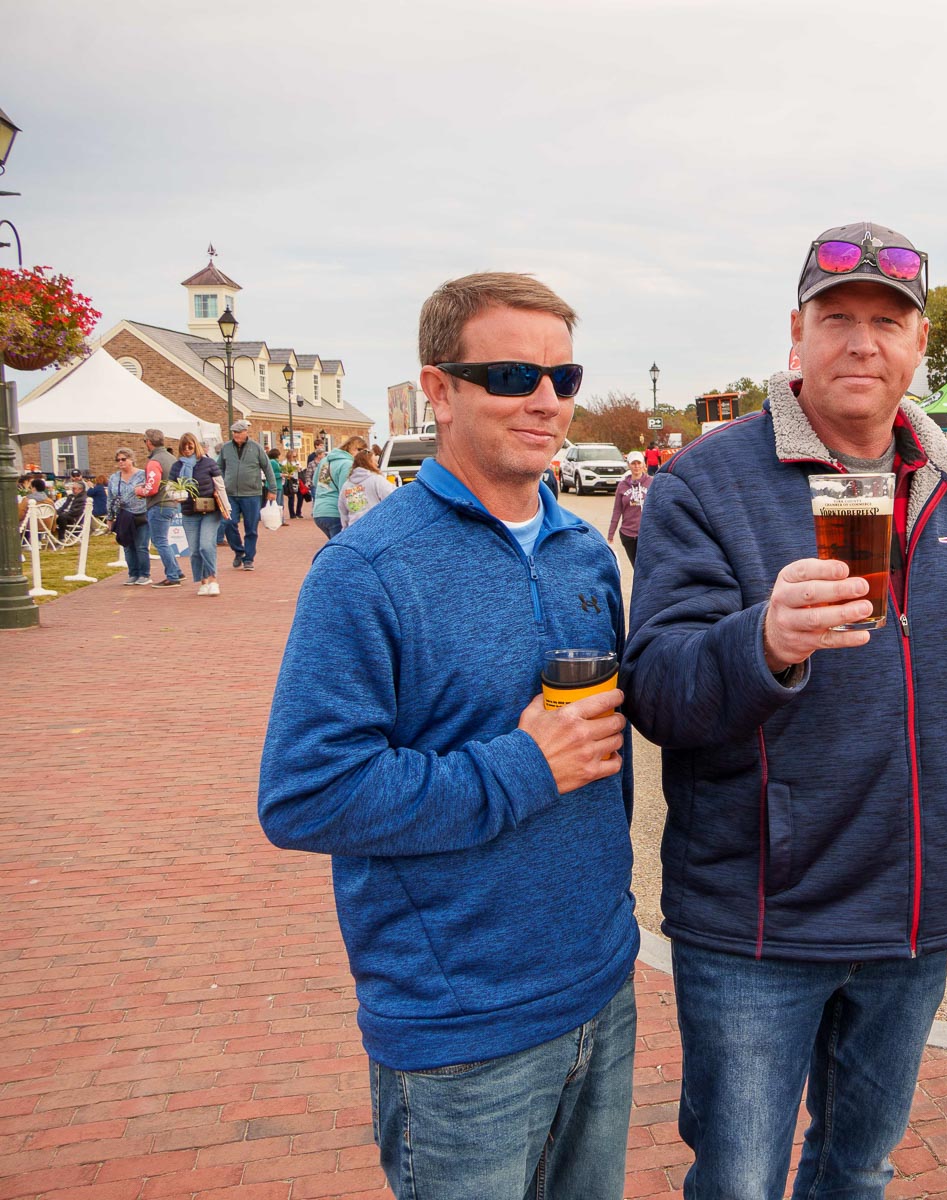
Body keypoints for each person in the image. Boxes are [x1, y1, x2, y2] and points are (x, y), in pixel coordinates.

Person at [623, 221, 947, 1200]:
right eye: (837, 318)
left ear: (920, 343)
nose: (862, 343)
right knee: (740, 1182)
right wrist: (763, 642)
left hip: (912, 917)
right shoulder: (707, 481)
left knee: (858, 1171)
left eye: (888, 321)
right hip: (760, 922)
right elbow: (656, 686)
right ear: (797, 333)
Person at [259, 272, 636, 1200]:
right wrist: (523, 766)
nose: (546, 401)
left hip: (601, 984)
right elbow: (305, 793)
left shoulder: (585, 553)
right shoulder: (366, 568)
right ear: (438, 390)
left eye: (563, 377)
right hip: (460, 1028)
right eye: (511, 376)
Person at [217, 421, 278, 569]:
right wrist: (221, 483)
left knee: (251, 527)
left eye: (239, 432)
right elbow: (219, 468)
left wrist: (272, 489)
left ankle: (249, 558)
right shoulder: (226, 448)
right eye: (234, 432)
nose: (236, 435)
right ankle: (239, 551)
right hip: (230, 494)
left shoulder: (256, 448)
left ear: (246, 432)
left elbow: (267, 468)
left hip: (252, 494)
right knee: (228, 523)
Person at [173, 432, 225, 596]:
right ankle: (203, 581)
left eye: (190, 447)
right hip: (189, 512)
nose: (188, 450)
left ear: (196, 446)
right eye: (184, 448)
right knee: (195, 550)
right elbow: (170, 487)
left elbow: (220, 485)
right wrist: (175, 495)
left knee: (206, 545)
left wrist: (226, 507)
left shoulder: (208, 463)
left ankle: (213, 580)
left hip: (210, 510)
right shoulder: (177, 467)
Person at [137, 428, 185, 588]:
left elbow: (152, 488)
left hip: (159, 504)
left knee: (159, 541)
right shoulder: (172, 458)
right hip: (172, 503)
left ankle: (172, 576)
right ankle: (177, 571)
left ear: (148, 442)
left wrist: (139, 491)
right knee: (164, 540)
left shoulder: (154, 462)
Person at [106, 450, 152, 586]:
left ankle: (144, 574)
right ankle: (133, 573)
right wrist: (110, 517)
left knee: (141, 545)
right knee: (127, 545)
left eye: (123, 459)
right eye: (118, 460)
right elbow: (110, 498)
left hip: (141, 514)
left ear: (131, 459)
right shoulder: (114, 478)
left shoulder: (143, 475)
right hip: (124, 516)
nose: (121, 462)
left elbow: (151, 491)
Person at [310, 435, 363, 539]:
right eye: (361, 450)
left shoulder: (325, 460)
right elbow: (346, 490)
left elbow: (316, 482)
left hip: (319, 511)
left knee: (335, 543)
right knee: (341, 546)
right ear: (354, 449)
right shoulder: (347, 464)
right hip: (335, 512)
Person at [605, 450, 650, 567]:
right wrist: (611, 534)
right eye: (633, 463)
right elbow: (617, 510)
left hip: (647, 533)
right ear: (629, 465)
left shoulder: (651, 482)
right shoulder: (622, 485)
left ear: (644, 464)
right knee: (636, 567)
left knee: (647, 566)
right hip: (628, 534)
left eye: (639, 463)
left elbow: (659, 507)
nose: (636, 466)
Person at [339, 446, 397, 527]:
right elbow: (391, 497)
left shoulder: (346, 485)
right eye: (374, 461)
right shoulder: (377, 480)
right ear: (369, 463)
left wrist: (345, 528)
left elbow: (342, 509)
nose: (377, 464)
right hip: (375, 525)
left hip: (354, 526)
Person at [282, 450, 304, 519]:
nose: (295, 458)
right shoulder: (285, 462)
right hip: (290, 480)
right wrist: (291, 470)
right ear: (289, 456)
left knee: (300, 496)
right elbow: (283, 471)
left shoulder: (297, 462)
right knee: (291, 497)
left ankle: (298, 512)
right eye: (293, 456)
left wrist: (299, 468)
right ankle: (292, 514)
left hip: (297, 480)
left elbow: (301, 469)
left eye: (295, 456)